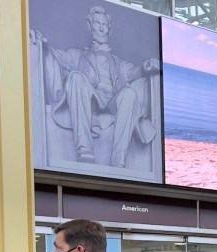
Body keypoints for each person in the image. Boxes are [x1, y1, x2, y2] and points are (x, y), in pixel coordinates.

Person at [29, 5, 160, 167]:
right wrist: (41, 41)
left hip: (112, 102)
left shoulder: (119, 64)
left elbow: (136, 71)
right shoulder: (77, 55)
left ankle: (118, 161)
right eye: (97, 24)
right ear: (90, 26)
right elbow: (56, 55)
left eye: (104, 25)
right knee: (76, 77)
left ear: (108, 29)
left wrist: (147, 66)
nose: (101, 28)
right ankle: (84, 149)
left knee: (129, 93)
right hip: (90, 99)